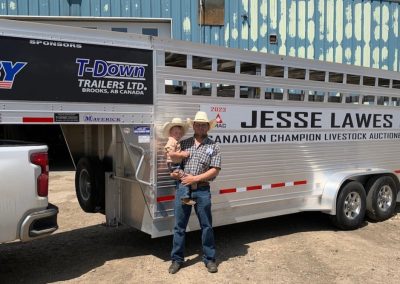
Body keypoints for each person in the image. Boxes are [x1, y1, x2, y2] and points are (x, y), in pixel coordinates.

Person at [168, 111, 221, 274]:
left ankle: (209, 259)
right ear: (193, 126)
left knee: (206, 226)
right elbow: (173, 163)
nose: (200, 126)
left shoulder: (214, 146)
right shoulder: (183, 144)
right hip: (183, 189)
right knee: (179, 227)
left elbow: (215, 170)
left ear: (208, 127)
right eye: (197, 124)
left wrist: (195, 179)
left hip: (202, 190)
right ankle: (177, 259)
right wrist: (174, 173)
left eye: (203, 124)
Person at [162, 118, 196, 205]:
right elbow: (171, 153)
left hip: (175, 164)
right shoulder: (171, 141)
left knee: (180, 178)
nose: (178, 135)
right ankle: (185, 198)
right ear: (170, 133)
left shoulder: (175, 141)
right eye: (176, 133)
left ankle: (185, 193)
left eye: (180, 133)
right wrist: (182, 155)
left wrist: (182, 153)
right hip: (174, 164)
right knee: (184, 178)